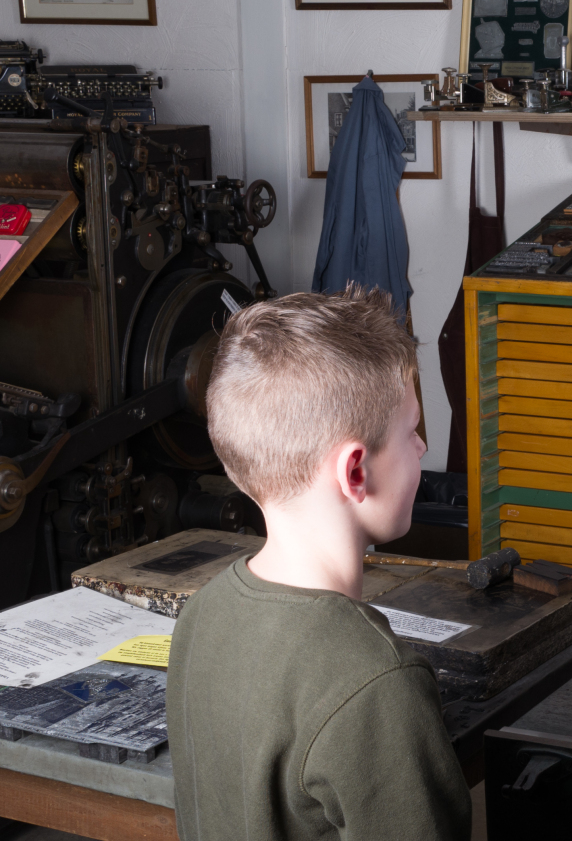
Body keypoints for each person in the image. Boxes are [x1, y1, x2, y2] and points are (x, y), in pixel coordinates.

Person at [167, 286, 470, 840]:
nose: (423, 448)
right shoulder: (376, 680)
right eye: (411, 431)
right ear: (355, 472)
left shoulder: (202, 615)